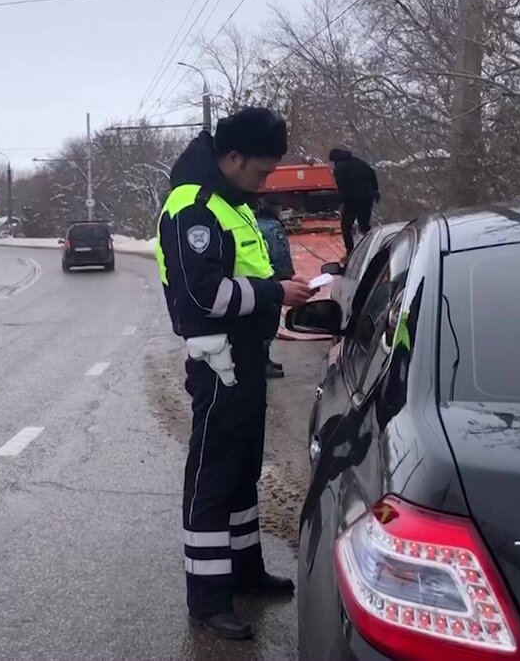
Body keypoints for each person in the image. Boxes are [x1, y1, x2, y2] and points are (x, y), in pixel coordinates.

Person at [155, 107, 319, 641]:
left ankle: (245, 572)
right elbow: (204, 293)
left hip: (245, 357)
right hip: (218, 360)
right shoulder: (194, 208)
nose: (265, 180)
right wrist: (277, 293)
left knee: (243, 466)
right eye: (261, 171)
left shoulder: (231, 200)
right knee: (213, 476)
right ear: (231, 157)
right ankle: (208, 597)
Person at [255, 194, 295, 379]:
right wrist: (287, 278)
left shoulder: (253, 222)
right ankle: (262, 363)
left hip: (255, 282)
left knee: (258, 324)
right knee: (269, 325)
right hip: (272, 279)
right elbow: (280, 255)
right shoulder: (273, 227)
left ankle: (263, 361)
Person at [329, 147, 380, 254]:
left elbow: (340, 187)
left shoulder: (339, 168)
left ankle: (350, 252)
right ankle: (374, 248)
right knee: (364, 225)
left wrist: (339, 202)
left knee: (346, 226)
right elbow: (372, 175)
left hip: (351, 200)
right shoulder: (359, 162)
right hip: (367, 198)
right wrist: (375, 191)